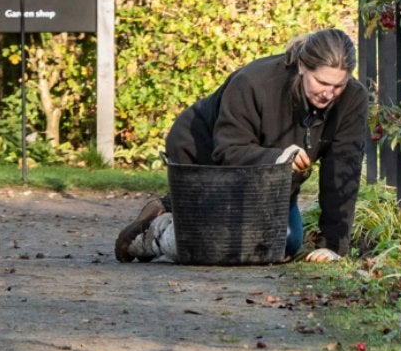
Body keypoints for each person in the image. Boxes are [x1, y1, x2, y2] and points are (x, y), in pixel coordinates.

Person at [116, 28, 365, 265]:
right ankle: (155, 231)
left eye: (338, 86)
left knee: (286, 241)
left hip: (269, 181)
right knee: (220, 246)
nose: (329, 94)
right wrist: (279, 158)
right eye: (321, 82)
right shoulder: (254, 82)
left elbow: (343, 172)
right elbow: (228, 150)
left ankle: (181, 213)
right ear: (302, 66)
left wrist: (333, 246)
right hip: (206, 159)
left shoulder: (352, 99)